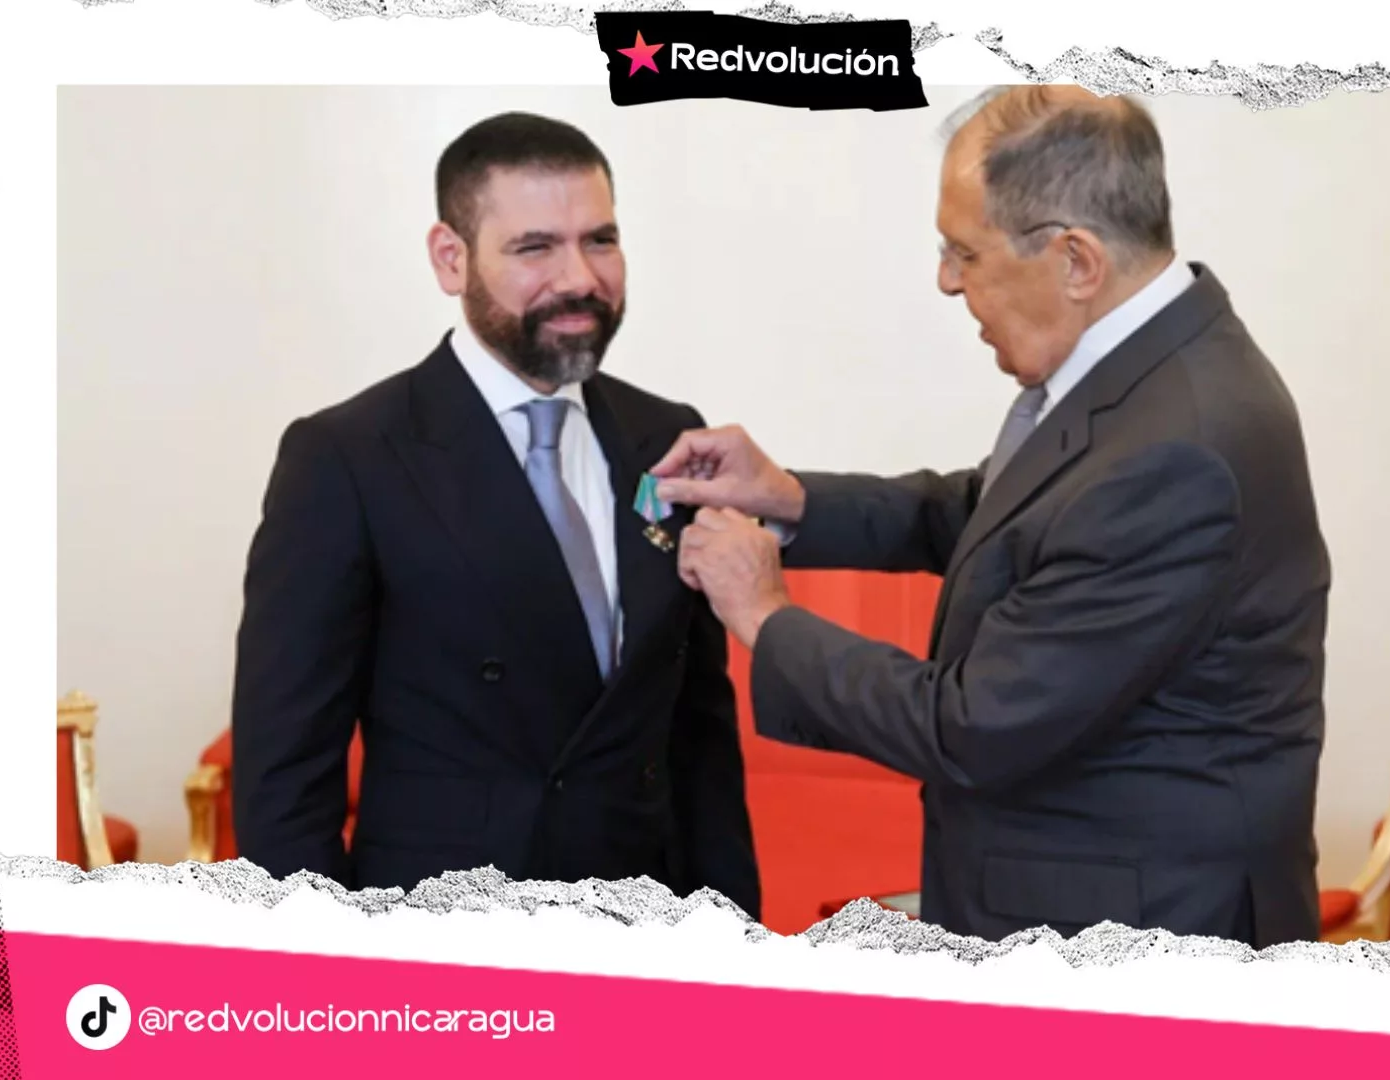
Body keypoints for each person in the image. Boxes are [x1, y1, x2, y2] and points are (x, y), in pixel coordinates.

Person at [654, 86, 1329, 946]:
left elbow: (972, 727)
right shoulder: (1157, 373)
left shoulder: (1176, 451)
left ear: (1076, 261)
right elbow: (994, 514)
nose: (946, 280)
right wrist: (791, 499)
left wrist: (763, 613)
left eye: (963, 252)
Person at [230, 112, 761, 919]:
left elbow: (699, 736)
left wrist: (734, 939)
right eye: (535, 247)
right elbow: (285, 774)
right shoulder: (346, 457)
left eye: (601, 240)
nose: (579, 278)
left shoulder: (667, 436)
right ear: (452, 258)